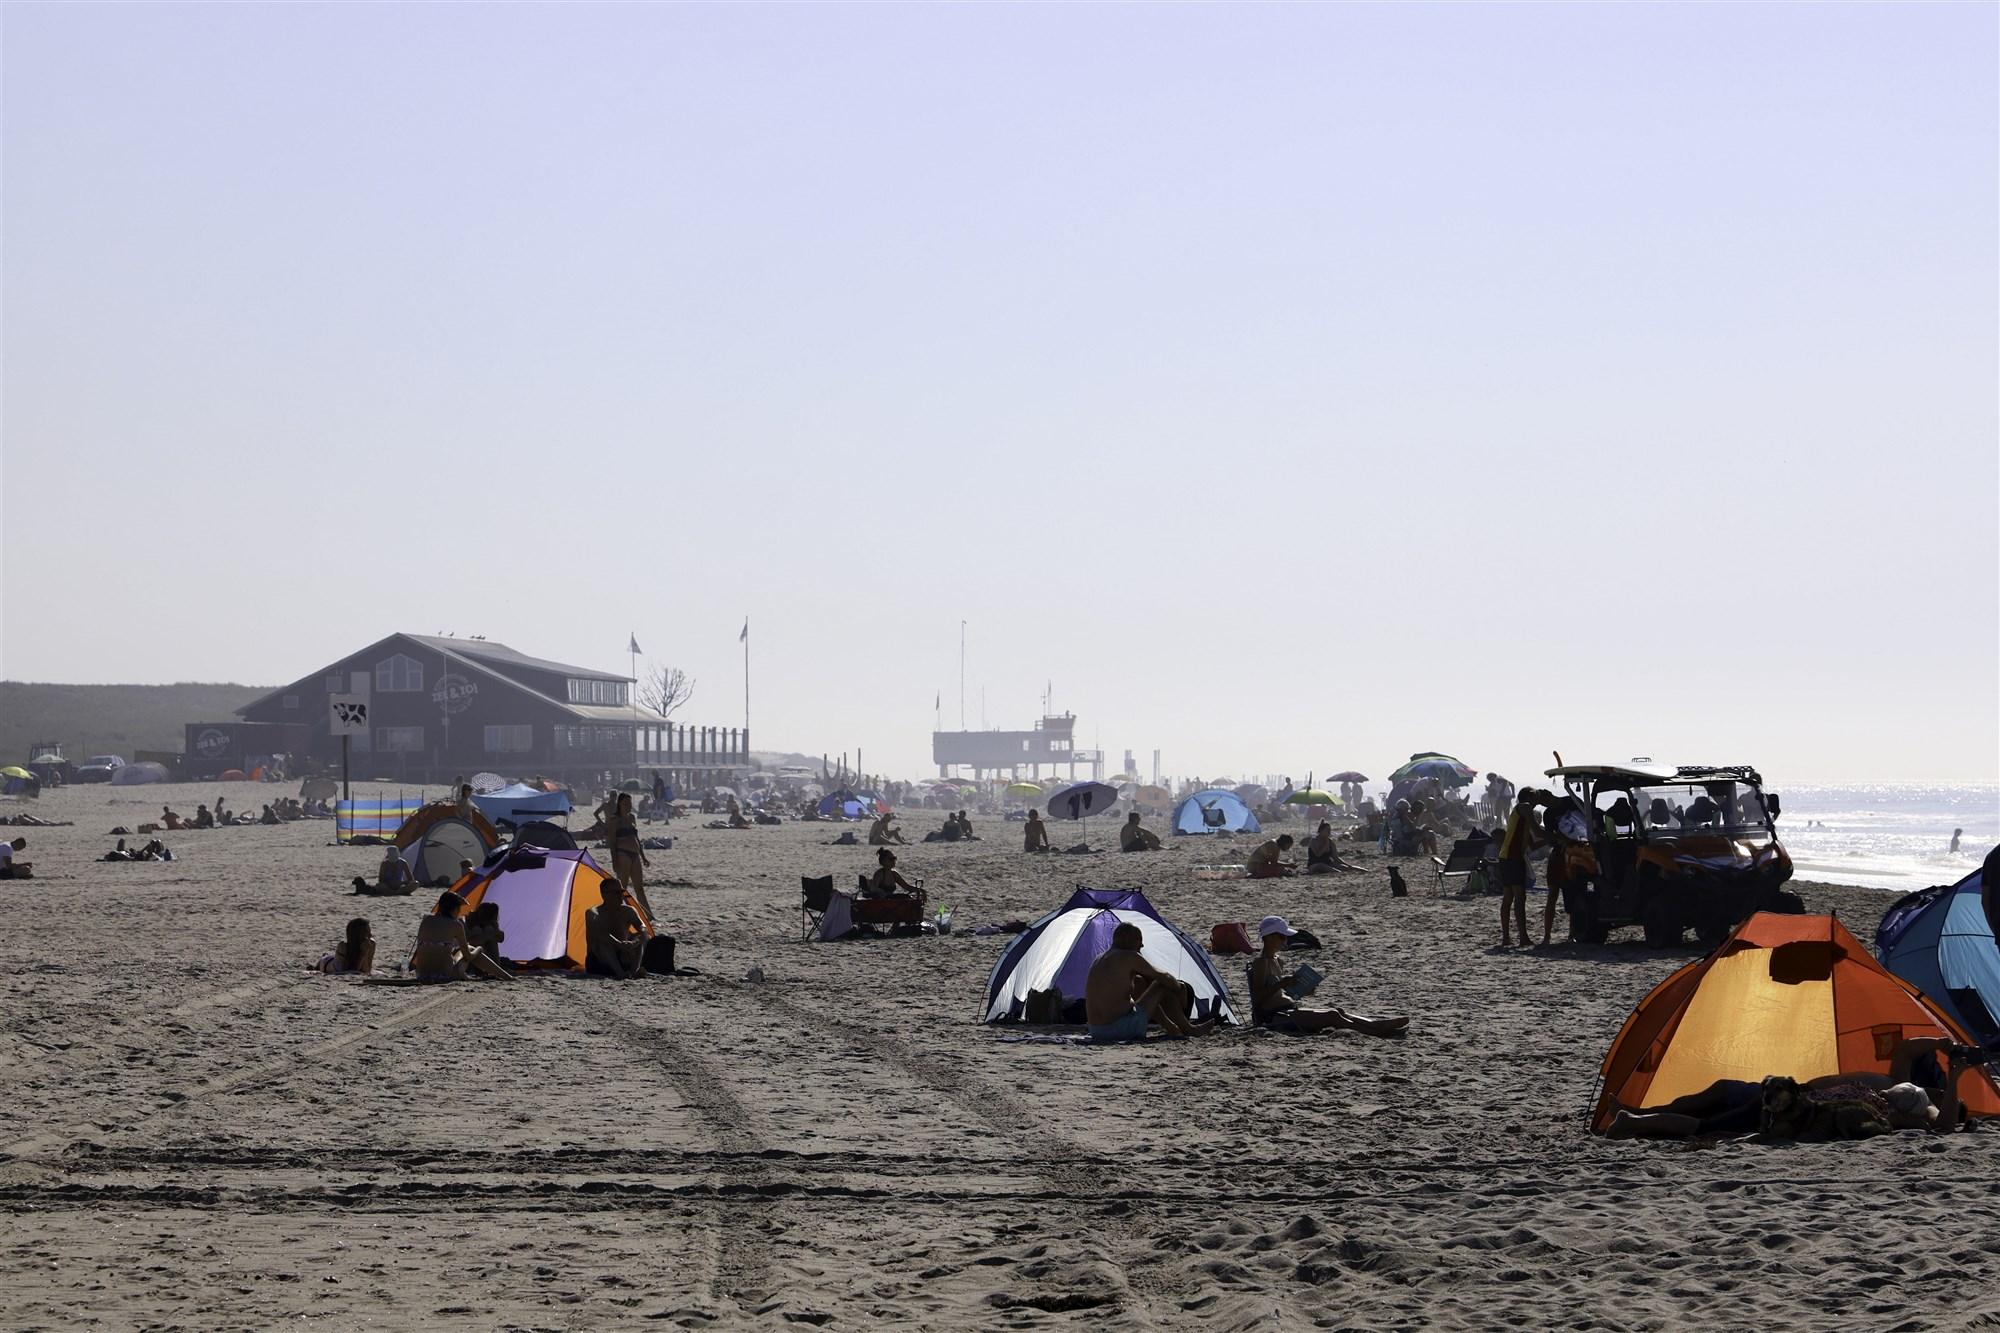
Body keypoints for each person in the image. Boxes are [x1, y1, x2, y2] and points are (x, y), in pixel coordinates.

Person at [1606, 1038, 1989, 1140]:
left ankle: (1639, 1119)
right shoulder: (1896, 1098)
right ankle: (1637, 1119)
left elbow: (1944, 1123)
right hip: (1794, 1101)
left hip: (1792, 1097)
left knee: (1713, 1114)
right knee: (1710, 1117)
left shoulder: (1899, 1102)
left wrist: (1948, 1065)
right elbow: (1908, 1050)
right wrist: (1943, 1047)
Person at [1248, 916, 1408, 1037]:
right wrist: (1281, 984)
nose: (1285, 941)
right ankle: (1378, 1032)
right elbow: (1257, 999)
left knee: (1338, 1011)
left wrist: (1301, 989)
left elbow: (1279, 992)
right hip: (1276, 1017)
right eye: (1282, 937)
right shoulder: (1260, 963)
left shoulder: (1277, 960)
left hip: (1288, 1010)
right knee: (1332, 1015)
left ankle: (1375, 1025)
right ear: (1269, 937)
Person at [1082, 922, 1213, 1042]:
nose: (1142, 945)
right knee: (1161, 985)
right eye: (1139, 939)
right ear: (1128, 939)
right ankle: (1189, 1029)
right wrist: (1180, 988)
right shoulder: (1129, 956)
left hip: (1097, 1031)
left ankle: (1173, 1028)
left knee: (1139, 982)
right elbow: (1164, 977)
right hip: (1119, 1030)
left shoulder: (1100, 958)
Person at [409, 891, 514, 981]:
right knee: (470, 948)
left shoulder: (426, 920)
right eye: (459, 908)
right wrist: (479, 949)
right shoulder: (456, 925)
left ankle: (503, 976)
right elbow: (468, 956)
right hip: (446, 975)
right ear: (454, 909)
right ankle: (506, 977)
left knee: (456, 951)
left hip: (421, 974)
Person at [1497, 790, 1543, 947]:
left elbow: (1533, 845)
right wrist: (1556, 836)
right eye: (1537, 794)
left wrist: (1552, 841)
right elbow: (1538, 831)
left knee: (1509, 897)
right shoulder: (1524, 807)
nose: (1539, 797)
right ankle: (1523, 938)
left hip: (1507, 857)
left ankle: (1506, 938)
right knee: (1519, 898)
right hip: (1513, 858)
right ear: (1530, 796)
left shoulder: (1522, 821)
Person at [585, 882, 648, 980]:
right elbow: (600, 933)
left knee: (641, 935)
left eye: (622, 892)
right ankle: (620, 973)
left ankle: (635, 970)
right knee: (602, 942)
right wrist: (618, 943)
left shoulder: (628, 911)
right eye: (616, 892)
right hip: (600, 960)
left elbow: (642, 927)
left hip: (622, 954)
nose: (620, 896)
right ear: (604, 894)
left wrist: (634, 942)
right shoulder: (594, 912)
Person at [608, 792, 653, 917]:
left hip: (635, 854)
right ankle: (618, 913)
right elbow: (612, 842)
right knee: (623, 888)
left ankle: (648, 915)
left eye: (630, 803)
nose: (628, 805)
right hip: (623, 854)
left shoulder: (632, 817)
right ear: (620, 804)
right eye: (625, 803)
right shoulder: (614, 820)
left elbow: (636, 838)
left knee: (639, 888)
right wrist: (615, 861)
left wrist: (643, 856)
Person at [463, 901, 509, 974]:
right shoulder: (472, 925)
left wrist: (495, 929)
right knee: (482, 932)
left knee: (492, 939)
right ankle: (494, 968)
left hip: (481, 956)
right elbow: (473, 942)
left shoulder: (490, 926)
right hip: (469, 958)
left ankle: (494, 967)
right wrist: (488, 934)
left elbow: (501, 938)